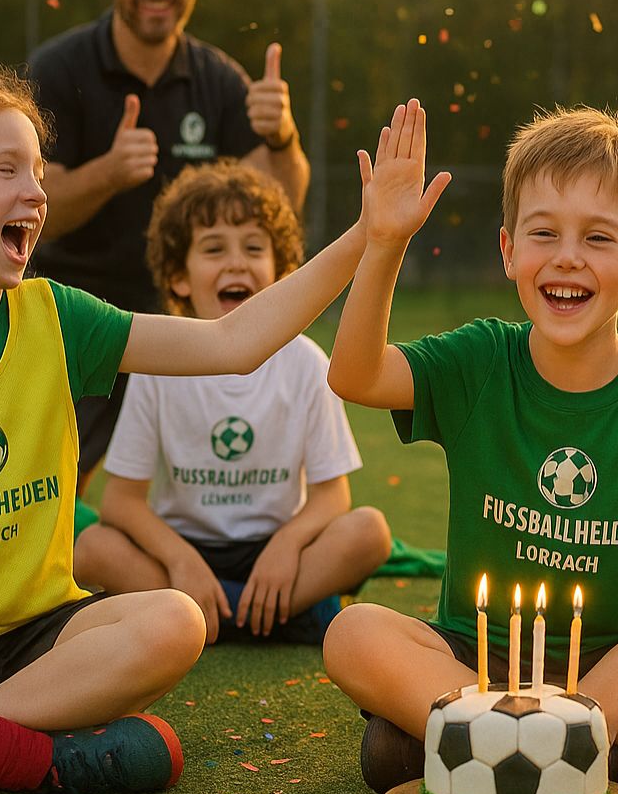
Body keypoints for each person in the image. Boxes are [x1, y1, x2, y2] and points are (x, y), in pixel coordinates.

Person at [0, 68, 367, 794]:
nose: (37, 193)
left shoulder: (58, 318)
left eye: (39, 171)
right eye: (7, 169)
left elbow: (231, 341)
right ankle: (28, 758)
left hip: (41, 640)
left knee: (175, 622)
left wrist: (366, 235)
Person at [321, 102, 618, 794]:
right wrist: (383, 244)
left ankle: (449, 750)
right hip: (471, 665)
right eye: (544, 234)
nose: (568, 257)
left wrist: (617, 683)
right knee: (352, 634)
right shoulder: (480, 359)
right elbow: (355, 375)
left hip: (611, 671)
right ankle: (613, 758)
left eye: (598, 237)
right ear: (508, 251)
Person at [25, 0, 311, 485]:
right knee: (45, 482)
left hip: (188, 323)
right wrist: (107, 173)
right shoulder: (59, 71)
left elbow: (279, 204)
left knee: (222, 491)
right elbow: (27, 214)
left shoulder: (220, 80)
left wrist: (282, 138)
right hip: (79, 319)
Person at [73, 160, 392, 645]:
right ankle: (265, 613)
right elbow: (120, 501)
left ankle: (212, 616)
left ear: (283, 273)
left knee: (370, 532)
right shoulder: (161, 366)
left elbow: (333, 496)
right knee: (91, 546)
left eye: (253, 247)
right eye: (214, 248)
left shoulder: (307, 362)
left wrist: (286, 546)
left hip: (274, 551)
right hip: (185, 549)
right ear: (180, 278)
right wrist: (181, 561)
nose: (236, 263)